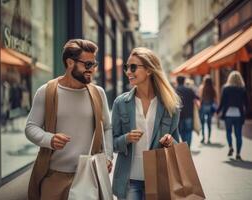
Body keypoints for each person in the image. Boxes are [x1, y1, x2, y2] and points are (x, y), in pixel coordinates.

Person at [25, 39, 113, 200]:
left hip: (88, 176)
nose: (92, 70)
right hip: (53, 176)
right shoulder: (46, 92)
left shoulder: (98, 93)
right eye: (87, 65)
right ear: (70, 62)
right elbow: (30, 127)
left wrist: (108, 157)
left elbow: (107, 127)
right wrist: (49, 139)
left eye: (94, 65)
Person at [112, 47, 181, 200]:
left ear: (149, 70)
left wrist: (170, 141)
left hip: (159, 178)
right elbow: (112, 142)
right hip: (130, 179)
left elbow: (177, 144)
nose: (128, 72)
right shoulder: (120, 103)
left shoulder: (170, 105)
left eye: (133, 67)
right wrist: (126, 138)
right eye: (126, 67)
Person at [217, 71, 248, 161]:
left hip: (228, 114)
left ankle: (230, 146)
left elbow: (222, 102)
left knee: (228, 132)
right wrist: (245, 112)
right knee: (238, 135)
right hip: (238, 114)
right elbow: (246, 103)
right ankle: (238, 153)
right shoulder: (242, 89)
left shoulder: (226, 88)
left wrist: (218, 111)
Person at [175, 76, 199, 148]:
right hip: (189, 114)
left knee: (181, 131)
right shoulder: (189, 90)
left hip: (179, 115)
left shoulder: (175, 90)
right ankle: (188, 146)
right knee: (189, 131)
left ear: (177, 81)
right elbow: (197, 98)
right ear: (184, 81)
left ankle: (184, 145)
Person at [198, 75, 217, 144]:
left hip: (203, 107)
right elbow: (215, 99)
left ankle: (203, 138)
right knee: (209, 124)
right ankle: (209, 139)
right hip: (210, 107)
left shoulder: (202, 88)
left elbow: (200, 98)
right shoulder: (213, 88)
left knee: (203, 124)